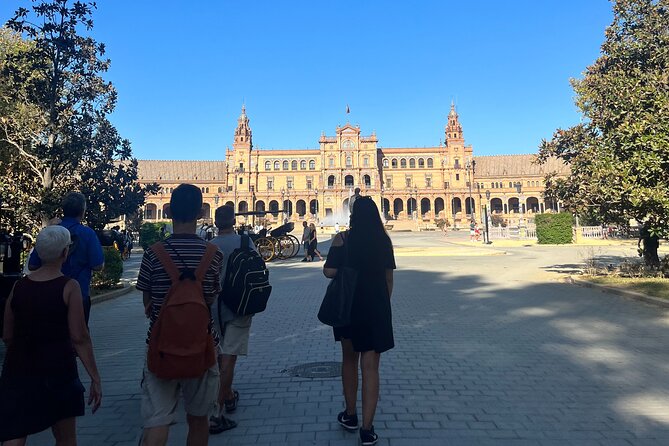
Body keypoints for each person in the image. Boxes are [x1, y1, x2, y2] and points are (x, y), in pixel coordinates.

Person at [136, 184, 224, 446]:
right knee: (198, 419)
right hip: (202, 344)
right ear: (200, 212)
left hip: (160, 344)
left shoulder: (153, 254)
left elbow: (148, 302)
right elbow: (209, 298)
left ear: (171, 210)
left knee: (158, 420)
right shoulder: (213, 254)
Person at [1, 225, 102, 444]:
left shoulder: (18, 287)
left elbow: (7, 333)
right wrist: (94, 377)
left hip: (18, 369)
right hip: (58, 370)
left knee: (14, 434)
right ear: (65, 253)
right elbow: (79, 337)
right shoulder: (69, 287)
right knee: (65, 437)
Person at [323, 196, 395, 446]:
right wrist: (383, 306)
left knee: (349, 361)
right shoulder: (384, 241)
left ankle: (350, 415)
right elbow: (388, 279)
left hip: (348, 306)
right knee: (371, 368)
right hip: (375, 307)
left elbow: (329, 272)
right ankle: (367, 430)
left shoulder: (342, 239)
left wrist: (343, 264)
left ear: (352, 216)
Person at [208, 205, 258, 434]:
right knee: (228, 358)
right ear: (233, 221)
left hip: (213, 307)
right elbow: (259, 270)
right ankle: (218, 412)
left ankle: (227, 394)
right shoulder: (246, 243)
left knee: (219, 355)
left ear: (216, 223)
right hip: (240, 305)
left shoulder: (209, 246)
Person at [29, 192, 104, 325]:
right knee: (78, 334)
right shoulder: (88, 234)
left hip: (47, 294)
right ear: (82, 211)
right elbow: (98, 265)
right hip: (79, 294)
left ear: (63, 210)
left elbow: (33, 265)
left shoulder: (50, 231)